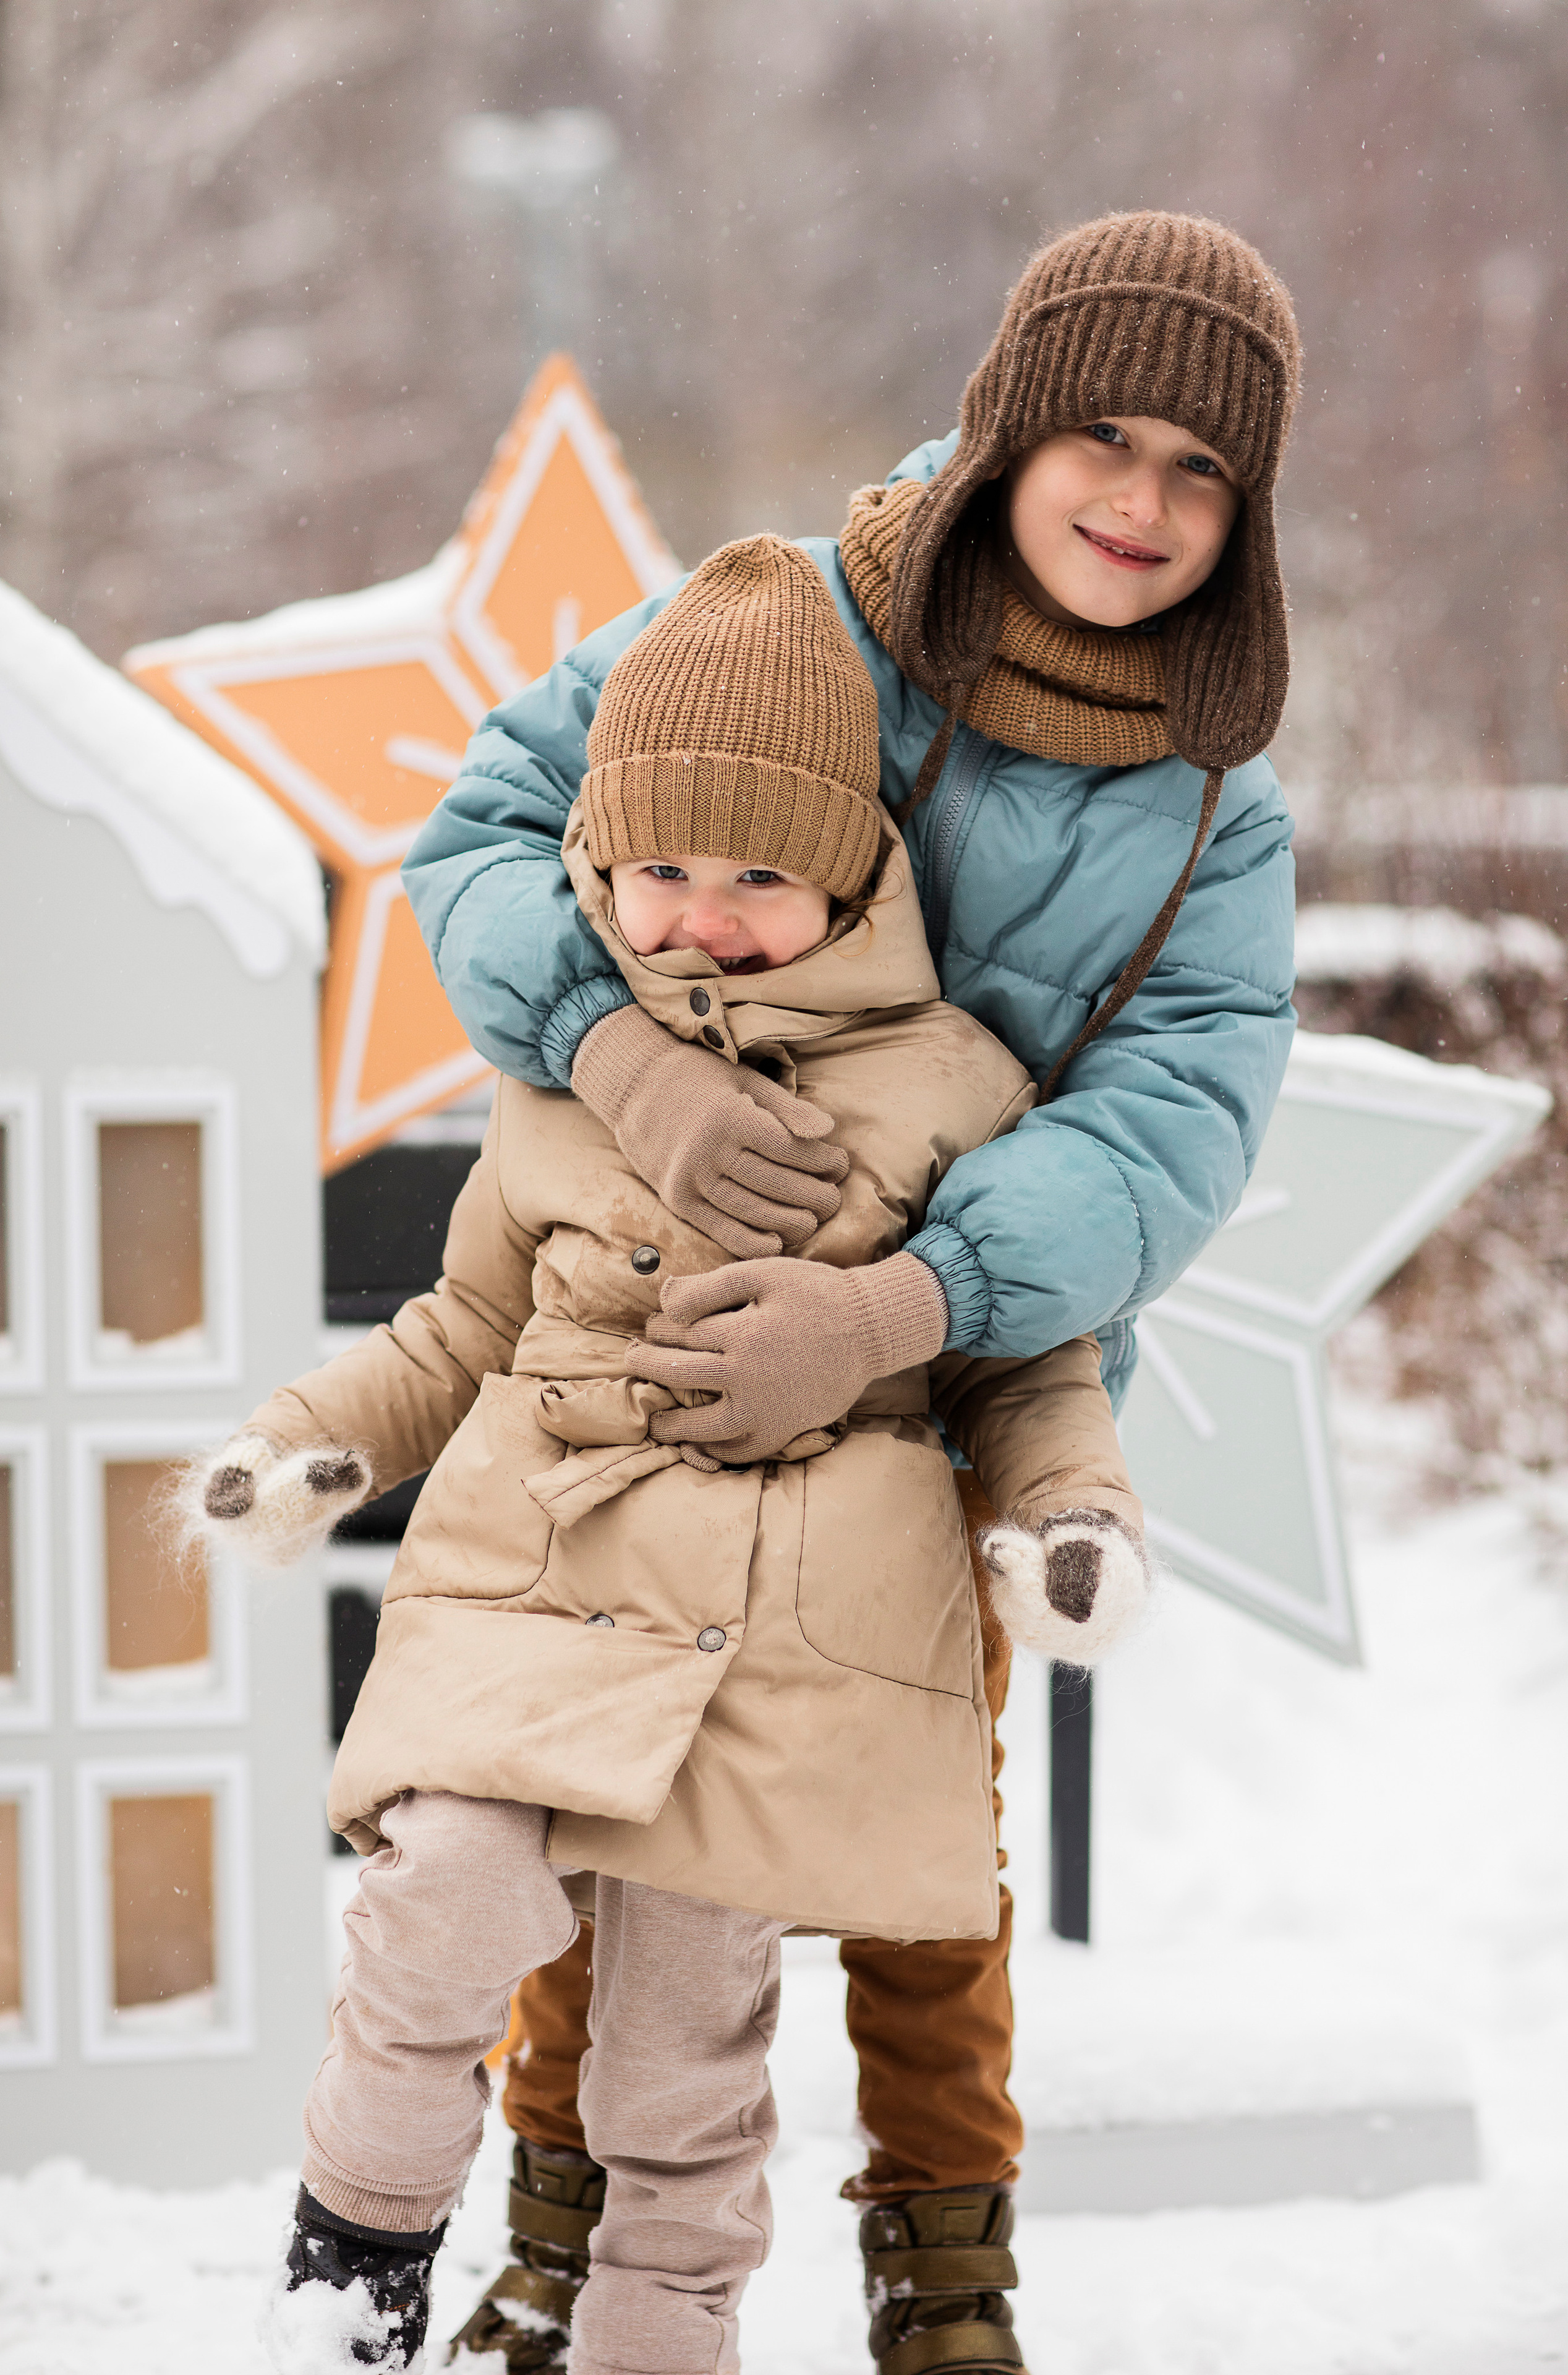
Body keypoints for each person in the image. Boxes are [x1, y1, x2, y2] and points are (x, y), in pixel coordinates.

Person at [403, 210, 1302, 2375]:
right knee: (586, 1777)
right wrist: (617, 1055)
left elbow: (1178, 1122)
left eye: (1201, 471)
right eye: (1102, 437)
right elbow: (481, 834)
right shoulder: (788, 612)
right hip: (654, 1337)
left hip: (942, 1382)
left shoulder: (1211, 810)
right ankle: (558, 2236)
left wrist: (910, 1305)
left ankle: (946, 2274)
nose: (1139, 502)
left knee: (921, 1851)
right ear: (1008, 430)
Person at [185, 535, 1148, 2375]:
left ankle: (661, 2346)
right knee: (443, 1894)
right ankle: (349, 2281)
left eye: (755, 876)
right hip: (543, 1574)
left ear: (854, 869)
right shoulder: (565, 1077)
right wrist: (311, 1447)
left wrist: (1069, 1516)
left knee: (684, 2065)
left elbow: (1023, 1358)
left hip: (771, 1655)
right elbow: (458, 1328)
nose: (696, 915)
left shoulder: (954, 1089)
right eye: (655, 870)